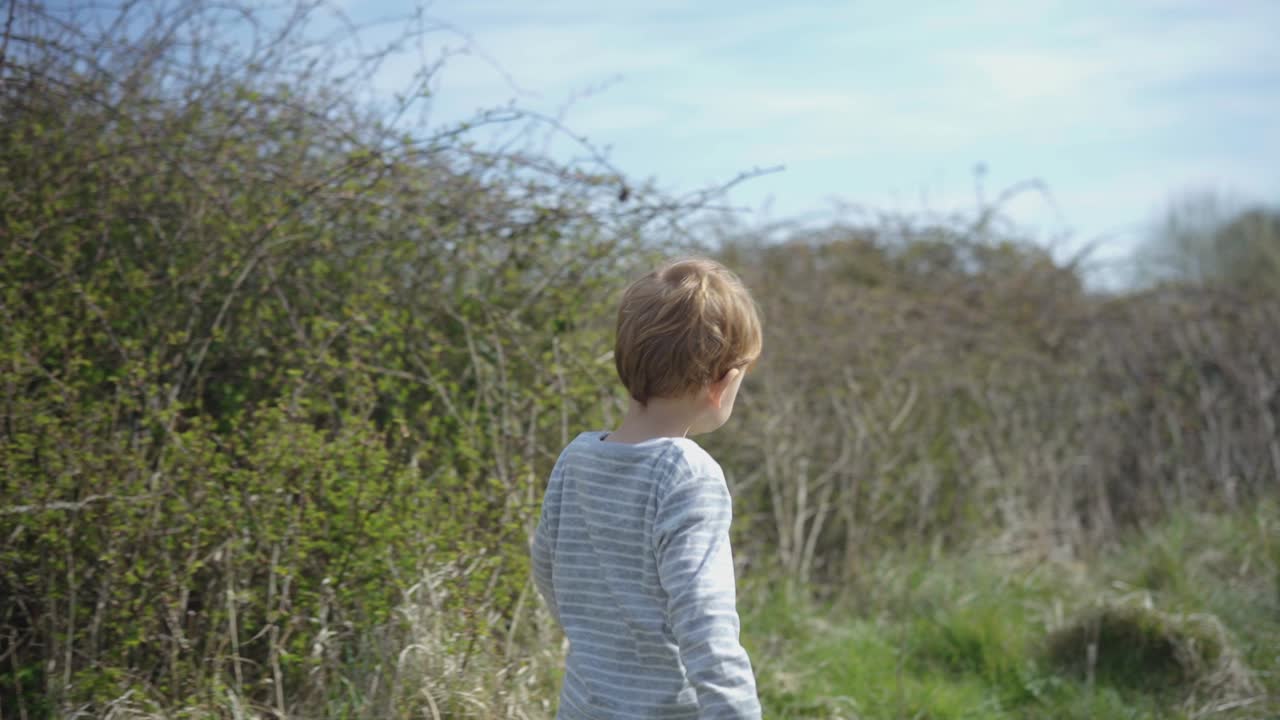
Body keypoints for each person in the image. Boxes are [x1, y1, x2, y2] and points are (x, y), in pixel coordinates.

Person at [532, 257, 763, 718]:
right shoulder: (687, 473)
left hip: (581, 705)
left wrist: (600, 640)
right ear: (724, 383)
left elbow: (545, 565)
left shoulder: (576, 457)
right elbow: (707, 627)